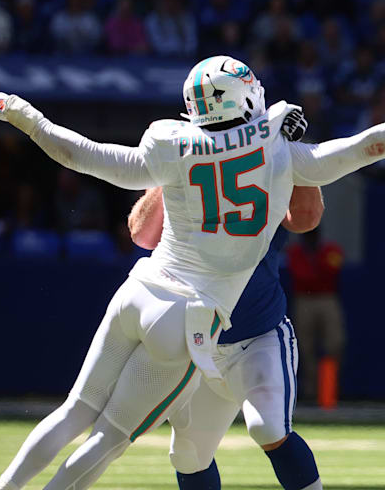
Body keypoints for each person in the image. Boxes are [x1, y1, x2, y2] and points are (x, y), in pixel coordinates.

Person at [0, 54, 385, 490]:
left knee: (75, 412)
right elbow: (366, 148)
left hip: (141, 288)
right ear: (246, 96)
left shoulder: (173, 144)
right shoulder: (278, 149)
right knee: (109, 437)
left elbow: (87, 156)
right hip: (190, 316)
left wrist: (23, 115)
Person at [129, 184, 327, 490]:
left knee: (268, 427)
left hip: (257, 336)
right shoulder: (182, 148)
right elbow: (143, 235)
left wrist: (295, 153)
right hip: (200, 344)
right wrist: (169, 174)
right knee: (188, 455)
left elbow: (306, 219)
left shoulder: (268, 147)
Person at [285, 227, 346, 402]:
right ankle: (311, 391)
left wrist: (315, 272)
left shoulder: (331, 250)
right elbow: (300, 275)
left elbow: (332, 270)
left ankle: (330, 389)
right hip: (304, 299)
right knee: (304, 346)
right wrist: (315, 273)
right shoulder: (296, 252)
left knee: (335, 342)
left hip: (327, 298)